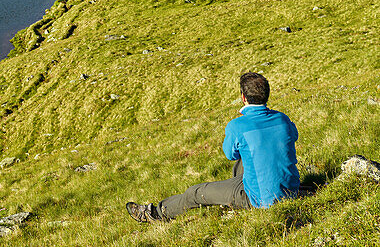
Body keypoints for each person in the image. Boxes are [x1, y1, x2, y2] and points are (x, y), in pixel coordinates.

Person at [127, 72, 299, 222]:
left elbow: (230, 154)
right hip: (291, 191)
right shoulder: (283, 119)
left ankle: (154, 213)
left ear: (243, 97)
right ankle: (236, 190)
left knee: (195, 192)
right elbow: (294, 136)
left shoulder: (237, 125)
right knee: (251, 157)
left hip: (258, 199)